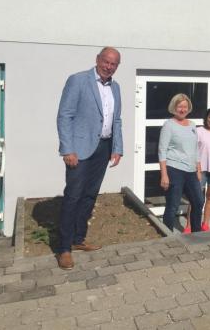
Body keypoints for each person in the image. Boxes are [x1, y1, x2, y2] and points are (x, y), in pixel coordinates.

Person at [55, 47, 123, 270]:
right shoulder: (78, 80)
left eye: (113, 64)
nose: (109, 66)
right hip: (80, 149)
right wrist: (67, 149)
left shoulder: (116, 87)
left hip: (103, 148)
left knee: (89, 196)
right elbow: (65, 115)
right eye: (106, 61)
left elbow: (117, 120)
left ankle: (78, 239)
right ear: (97, 60)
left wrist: (117, 148)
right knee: (73, 196)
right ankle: (64, 248)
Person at [158, 94, 204, 233]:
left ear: (188, 108)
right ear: (174, 107)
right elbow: (162, 150)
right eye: (179, 106)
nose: (182, 109)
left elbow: (195, 148)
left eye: (185, 106)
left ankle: (197, 233)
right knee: (173, 205)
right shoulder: (169, 125)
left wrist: (198, 168)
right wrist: (164, 175)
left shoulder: (192, 125)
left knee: (198, 201)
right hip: (174, 169)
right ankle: (167, 235)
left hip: (191, 171)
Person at [184, 107, 210, 233]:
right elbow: (192, 150)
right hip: (200, 170)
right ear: (206, 118)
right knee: (195, 198)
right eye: (209, 117)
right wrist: (195, 168)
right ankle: (189, 225)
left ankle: (205, 224)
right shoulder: (199, 131)